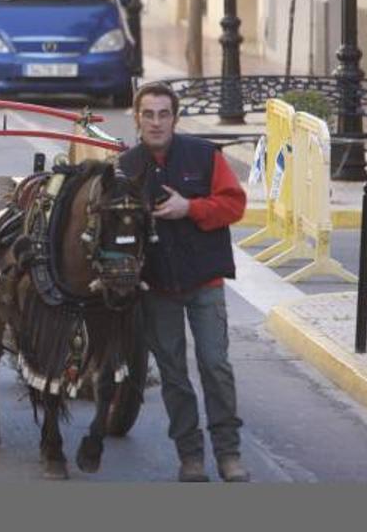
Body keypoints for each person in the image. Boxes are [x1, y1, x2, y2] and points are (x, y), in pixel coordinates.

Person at [116, 82, 249, 483]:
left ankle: (229, 454)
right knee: (173, 375)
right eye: (148, 115)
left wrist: (189, 207)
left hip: (204, 281)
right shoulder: (124, 167)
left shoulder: (205, 155)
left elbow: (235, 204)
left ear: (175, 118)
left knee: (215, 366)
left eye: (163, 114)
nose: (156, 122)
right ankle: (190, 456)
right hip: (156, 288)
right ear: (136, 119)